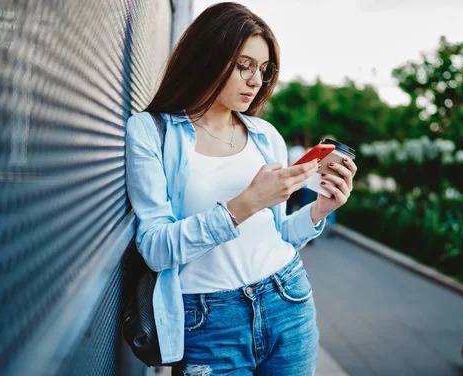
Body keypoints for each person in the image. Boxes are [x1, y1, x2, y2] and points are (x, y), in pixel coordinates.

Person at [124, 3, 357, 375]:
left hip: (287, 299)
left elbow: (278, 234)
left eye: (263, 70)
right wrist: (245, 204)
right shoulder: (151, 131)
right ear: (207, 56)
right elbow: (154, 248)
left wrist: (320, 210)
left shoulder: (265, 135)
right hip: (209, 322)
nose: (255, 81)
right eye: (243, 65)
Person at [286, 129, 311, 214]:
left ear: (297, 139)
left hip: (294, 184)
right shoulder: (310, 151)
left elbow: (290, 167)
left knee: (288, 208)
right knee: (303, 211)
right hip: (306, 185)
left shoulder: (294, 150)